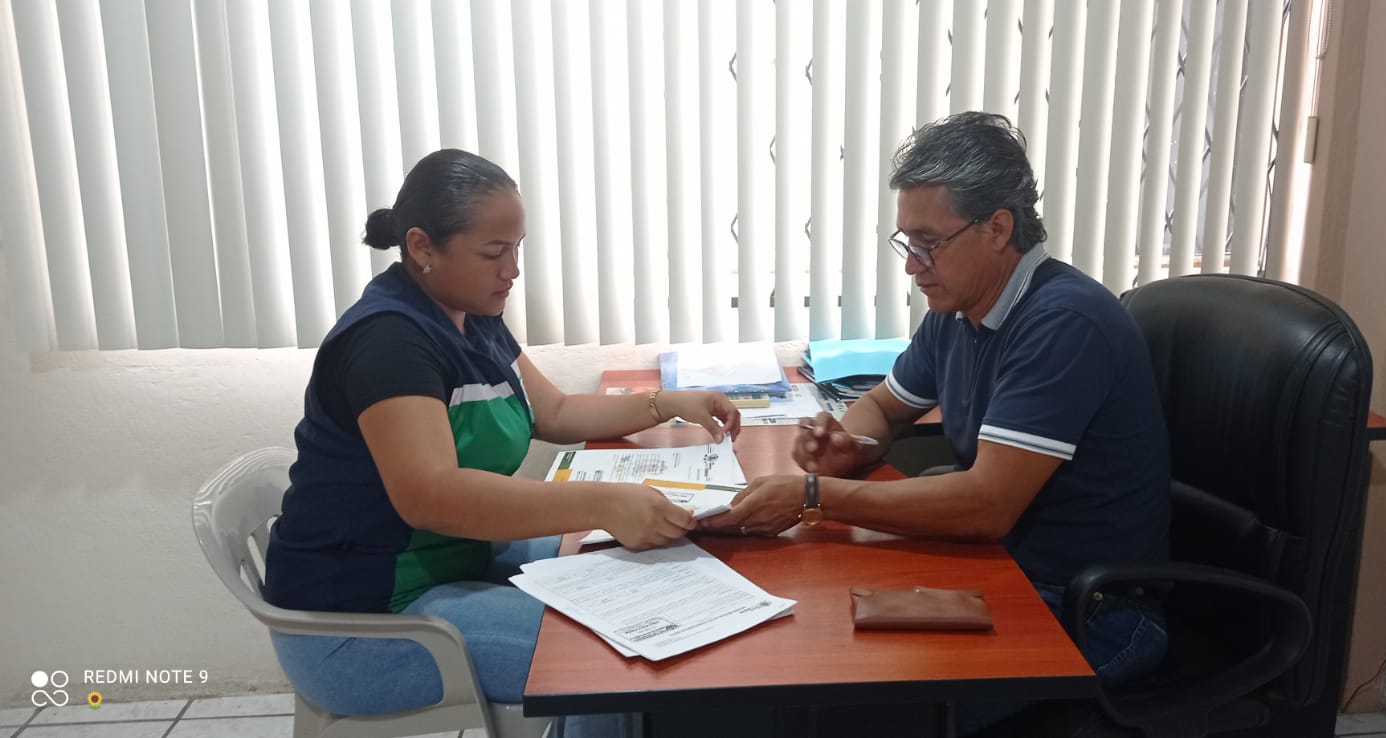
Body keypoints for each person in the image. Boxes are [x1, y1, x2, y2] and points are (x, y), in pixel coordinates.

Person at [709, 112, 1171, 734]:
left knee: (860, 707)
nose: (912, 265)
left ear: (998, 229)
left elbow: (987, 505)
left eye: (928, 242)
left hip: (1091, 609)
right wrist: (853, 444)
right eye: (906, 242)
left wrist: (815, 495)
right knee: (813, 645)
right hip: (1001, 570)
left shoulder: (1064, 323)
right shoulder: (958, 312)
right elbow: (883, 407)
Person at [262, 148, 740, 730]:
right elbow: (431, 496)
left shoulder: (472, 314)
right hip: (363, 620)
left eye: (517, 248)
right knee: (614, 656)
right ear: (422, 247)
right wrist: (604, 503)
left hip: (451, 561)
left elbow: (555, 412)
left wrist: (667, 404)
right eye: (494, 253)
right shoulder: (388, 343)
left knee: (646, 570)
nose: (512, 269)